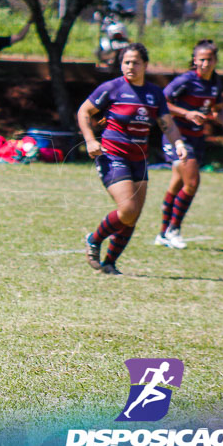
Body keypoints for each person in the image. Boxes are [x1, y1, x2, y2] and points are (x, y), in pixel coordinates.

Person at [77, 43, 186, 275]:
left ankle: (109, 263)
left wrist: (178, 143)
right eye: (126, 62)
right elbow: (84, 112)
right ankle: (94, 238)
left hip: (140, 159)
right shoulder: (112, 88)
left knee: (133, 215)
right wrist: (90, 140)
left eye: (135, 62)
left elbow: (167, 123)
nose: (130, 66)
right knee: (127, 209)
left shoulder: (154, 93)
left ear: (145, 65)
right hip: (113, 155)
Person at [154, 40, 223, 249]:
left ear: (216, 61)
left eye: (210, 59)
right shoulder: (186, 80)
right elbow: (161, 102)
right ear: (195, 61)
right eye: (202, 60)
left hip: (197, 138)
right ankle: (174, 230)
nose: (205, 64)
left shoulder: (215, 82)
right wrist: (186, 113)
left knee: (178, 183)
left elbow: (218, 108)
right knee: (192, 182)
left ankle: (162, 233)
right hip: (177, 137)